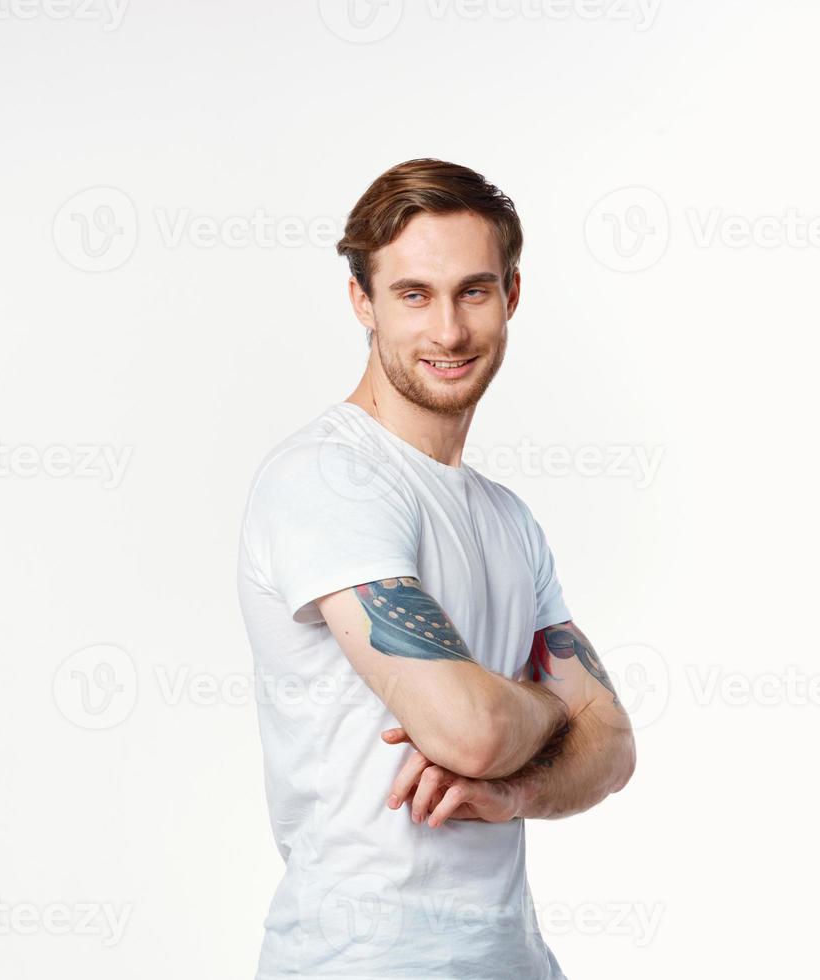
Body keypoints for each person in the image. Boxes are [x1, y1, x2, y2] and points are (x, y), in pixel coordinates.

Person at [236, 159, 636, 978]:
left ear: (511, 296)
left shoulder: (505, 517)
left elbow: (615, 745)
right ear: (362, 302)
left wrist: (517, 791)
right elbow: (471, 729)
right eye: (414, 294)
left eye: (474, 292)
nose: (448, 331)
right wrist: (554, 711)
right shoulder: (327, 478)